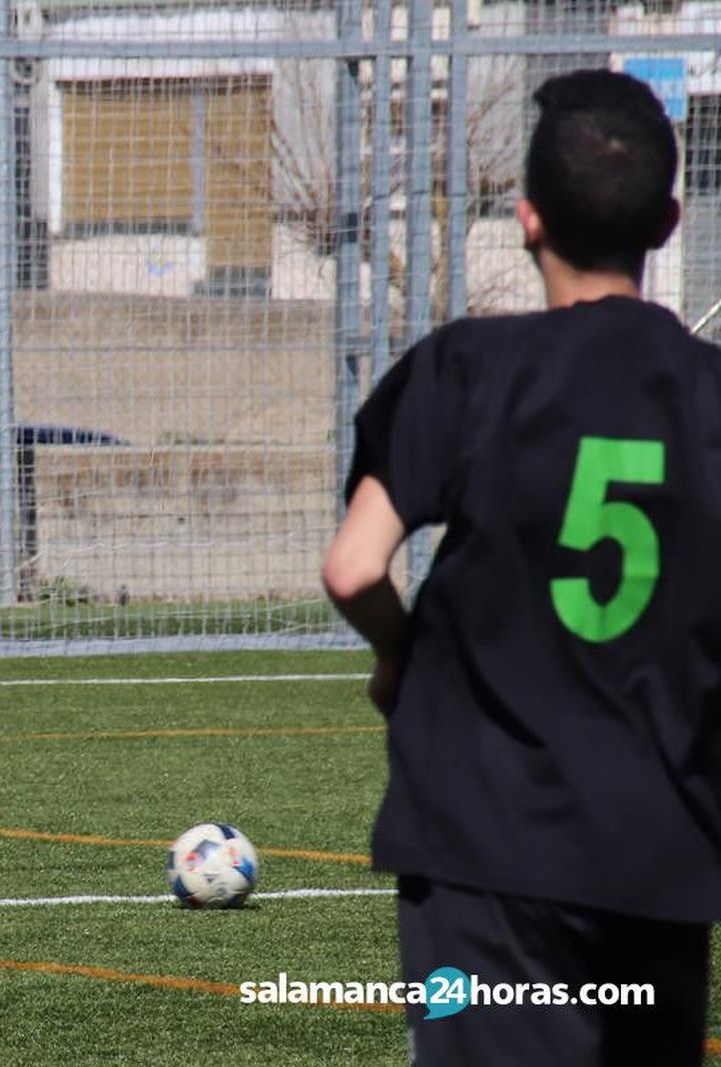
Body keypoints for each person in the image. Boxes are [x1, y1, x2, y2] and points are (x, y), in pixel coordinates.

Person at [322, 69, 721, 1065]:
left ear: (525, 217)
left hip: (480, 841)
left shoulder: (466, 367)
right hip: (661, 845)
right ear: (668, 222)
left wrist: (398, 654)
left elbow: (353, 566)